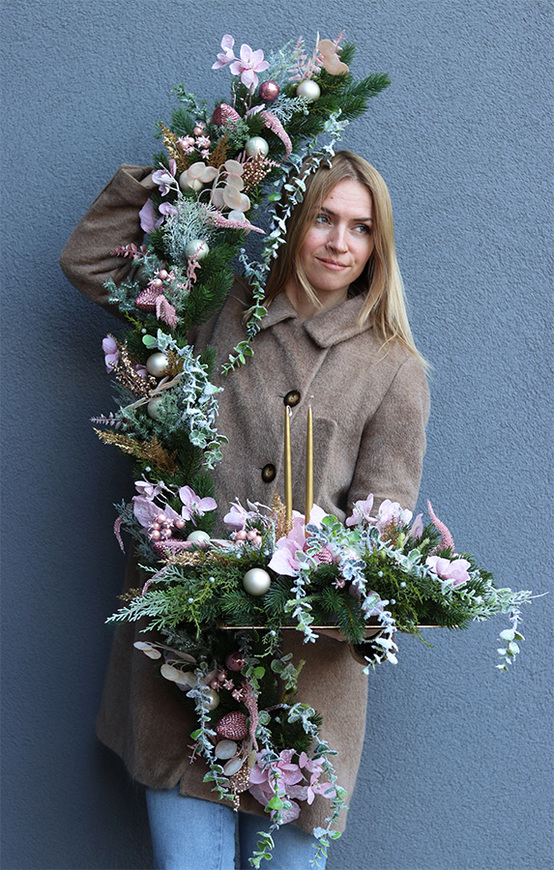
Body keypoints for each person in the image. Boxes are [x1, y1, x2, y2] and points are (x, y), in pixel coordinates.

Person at [60, 150, 430, 870]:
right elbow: (91, 262)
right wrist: (197, 163)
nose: (338, 242)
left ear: (376, 247)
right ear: (293, 220)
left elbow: (382, 522)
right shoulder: (214, 309)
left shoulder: (393, 368)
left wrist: (334, 577)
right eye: (323, 217)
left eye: (360, 228)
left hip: (307, 688)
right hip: (183, 669)